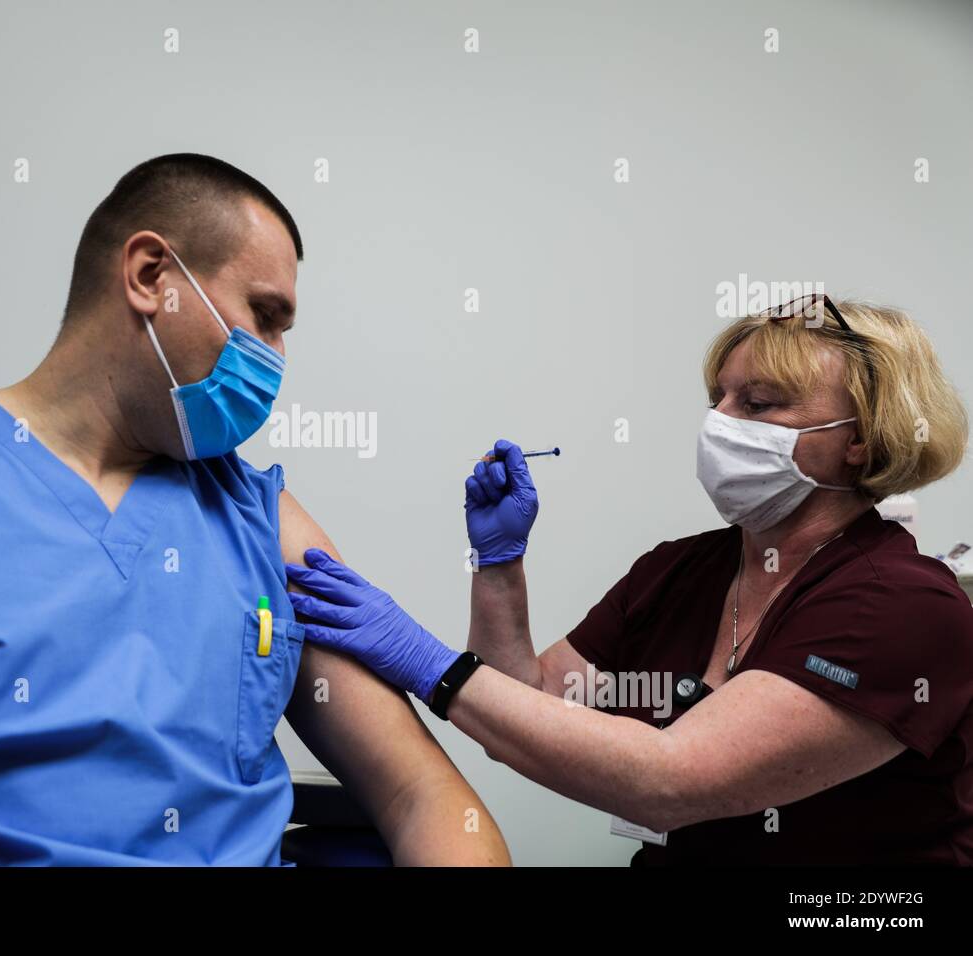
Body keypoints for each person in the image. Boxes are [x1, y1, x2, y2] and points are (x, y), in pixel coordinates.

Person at [0, 153, 508, 866]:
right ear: (151, 278)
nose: (277, 361)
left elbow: (429, 801)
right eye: (264, 317)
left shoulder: (263, 521)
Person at [287, 295, 973, 864]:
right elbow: (521, 708)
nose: (721, 422)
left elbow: (669, 782)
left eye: (760, 404)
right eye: (719, 398)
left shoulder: (903, 605)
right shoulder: (682, 571)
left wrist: (423, 659)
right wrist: (498, 565)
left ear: (860, 438)